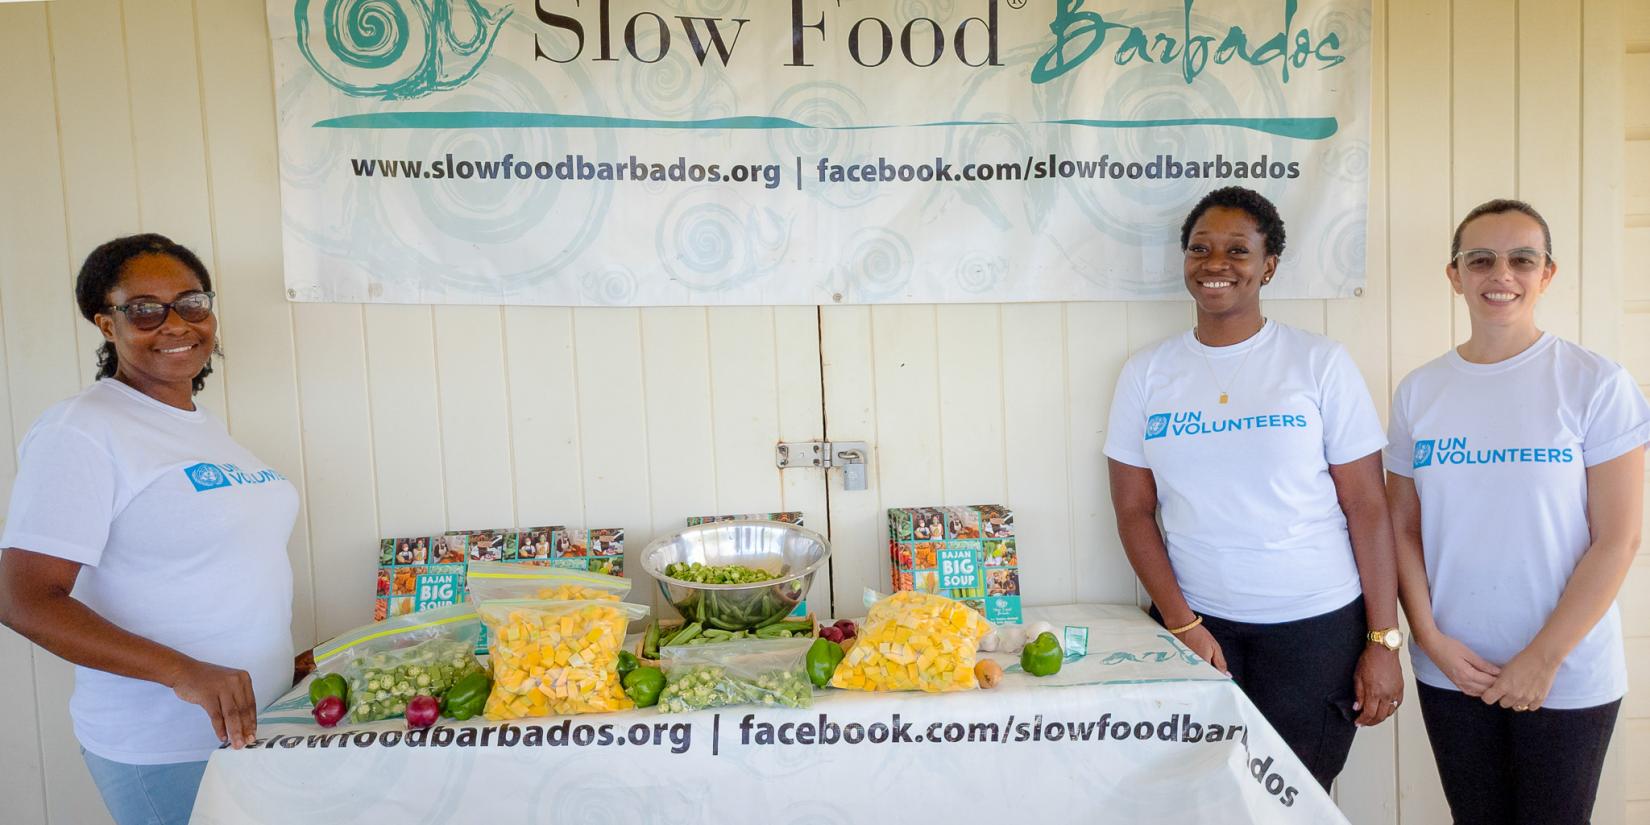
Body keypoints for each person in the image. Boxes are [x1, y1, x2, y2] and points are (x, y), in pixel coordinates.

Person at [1104, 186, 1404, 789]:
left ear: (1269, 266)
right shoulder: (1147, 373)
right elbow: (1135, 511)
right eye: (1200, 248)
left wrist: (1383, 639)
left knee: (1295, 798)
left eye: (1238, 250)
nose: (1216, 263)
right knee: (1207, 799)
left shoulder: (1318, 362)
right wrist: (1183, 624)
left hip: (1317, 630)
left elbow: (1369, 507)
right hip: (1203, 629)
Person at [0, 234, 299, 825]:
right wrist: (182, 671)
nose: (175, 323)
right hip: (167, 746)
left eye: (191, 302)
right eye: (144, 309)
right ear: (106, 324)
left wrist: (283, 661)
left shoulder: (199, 426)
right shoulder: (82, 430)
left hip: (255, 726)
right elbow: (23, 599)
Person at [1385, 199, 1646, 825]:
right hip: (1454, 670)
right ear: (1455, 275)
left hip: (1566, 672)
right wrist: (1431, 640)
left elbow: (1619, 539)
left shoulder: (1595, 383)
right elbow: (1401, 528)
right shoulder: (1421, 390)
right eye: (1481, 259)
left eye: (1521, 259)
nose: (1500, 274)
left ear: (1547, 274)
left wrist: (1544, 658)